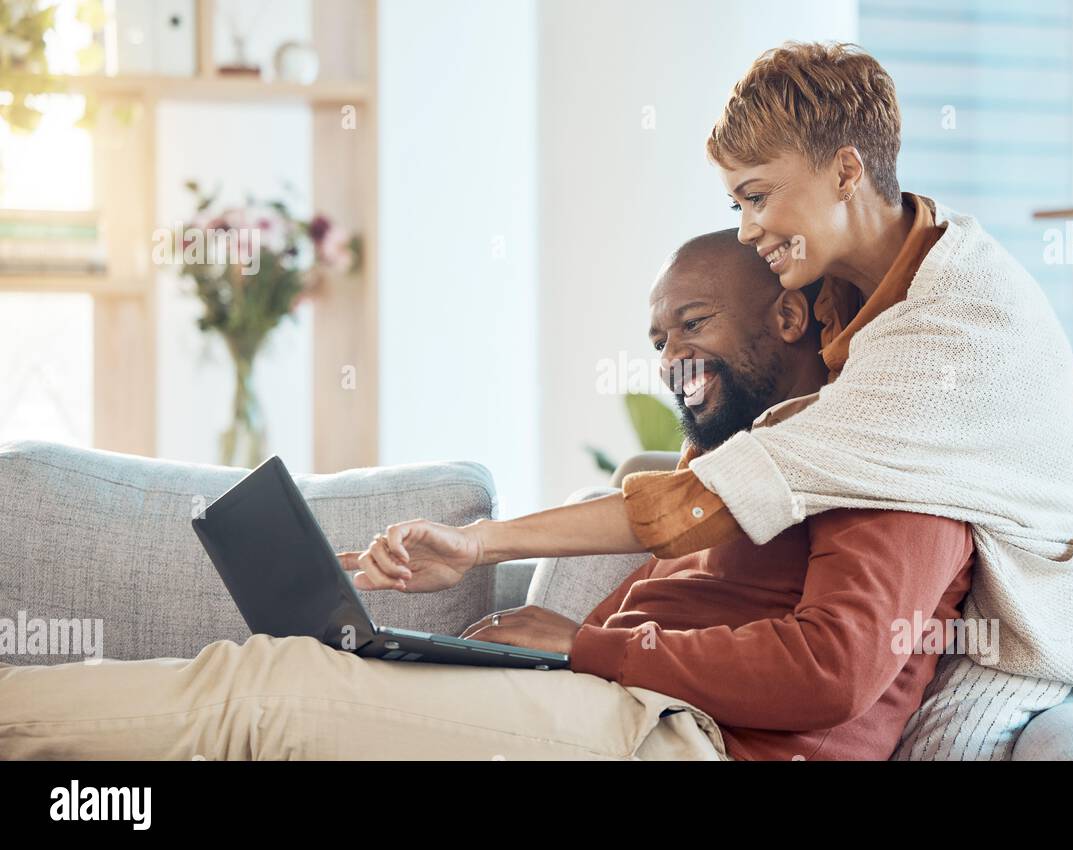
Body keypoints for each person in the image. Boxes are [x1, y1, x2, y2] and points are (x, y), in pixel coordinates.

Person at [346, 41, 1073, 709]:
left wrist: (480, 544)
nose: (749, 229)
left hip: (1032, 607)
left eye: (759, 196)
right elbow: (722, 461)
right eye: (736, 204)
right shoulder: (835, 279)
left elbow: (710, 501)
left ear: (847, 171)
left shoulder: (951, 330)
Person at [0, 232, 972, 761]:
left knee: (270, 695)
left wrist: (585, 645)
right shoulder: (749, 466)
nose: (671, 359)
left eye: (693, 324)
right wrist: (556, 637)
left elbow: (832, 667)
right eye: (656, 339)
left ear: (793, 312)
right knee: (297, 665)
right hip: (635, 710)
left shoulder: (889, 452)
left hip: (701, 745)